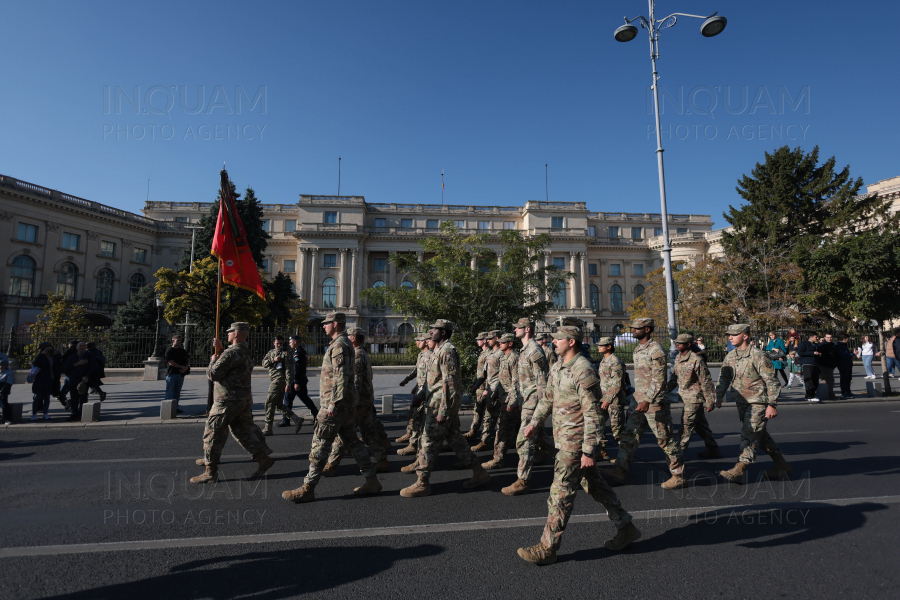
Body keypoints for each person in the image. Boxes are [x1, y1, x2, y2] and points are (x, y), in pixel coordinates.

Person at [516, 325, 640, 566]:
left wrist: (588, 450)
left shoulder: (584, 371)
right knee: (595, 486)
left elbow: (594, 414)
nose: (553, 342)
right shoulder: (558, 366)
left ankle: (547, 547)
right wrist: (534, 423)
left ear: (571, 342)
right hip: (564, 440)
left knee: (560, 494)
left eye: (558, 339)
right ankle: (626, 526)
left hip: (576, 443)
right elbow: (547, 399)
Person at [282, 313, 382, 503]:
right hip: (344, 403)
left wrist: (333, 404)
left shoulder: (339, 345)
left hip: (335, 405)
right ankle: (372, 480)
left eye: (326, 323)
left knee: (319, 444)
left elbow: (341, 376)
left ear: (336, 324)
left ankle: (308, 487)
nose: (323, 326)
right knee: (353, 441)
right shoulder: (343, 344)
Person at [400, 319, 490, 498]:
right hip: (434, 400)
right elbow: (433, 379)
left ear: (443, 332)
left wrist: (444, 410)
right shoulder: (438, 350)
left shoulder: (447, 350)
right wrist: (420, 395)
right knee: (455, 439)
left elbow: (450, 383)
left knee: (427, 441)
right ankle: (479, 472)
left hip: (440, 404)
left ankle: (422, 483)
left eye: (434, 329)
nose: (431, 331)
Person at [600, 318, 684, 489]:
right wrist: (640, 399)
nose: (633, 330)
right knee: (629, 437)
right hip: (638, 400)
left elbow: (659, 378)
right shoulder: (638, 349)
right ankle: (620, 470)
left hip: (654, 402)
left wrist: (648, 399)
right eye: (633, 328)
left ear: (647, 329)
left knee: (665, 439)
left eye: (636, 328)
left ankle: (678, 475)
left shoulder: (656, 350)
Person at [190, 322, 274, 483]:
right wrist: (221, 350)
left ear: (236, 334)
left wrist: (212, 361)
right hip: (242, 399)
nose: (227, 334)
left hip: (226, 400)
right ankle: (263, 458)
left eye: (229, 332)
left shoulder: (231, 354)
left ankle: (210, 471)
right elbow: (231, 367)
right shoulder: (245, 351)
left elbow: (214, 374)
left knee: (212, 433)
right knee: (241, 431)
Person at [716, 323, 792, 484]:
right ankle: (781, 465)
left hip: (758, 402)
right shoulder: (731, 356)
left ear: (745, 336)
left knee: (749, 433)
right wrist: (719, 396)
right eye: (729, 334)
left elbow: (772, 381)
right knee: (761, 435)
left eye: (734, 334)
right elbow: (724, 378)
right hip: (741, 401)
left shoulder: (758, 355)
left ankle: (739, 468)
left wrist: (772, 404)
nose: (730, 337)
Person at [325, 328, 390, 475]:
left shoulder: (357, 355)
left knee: (343, 433)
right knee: (368, 430)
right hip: (364, 400)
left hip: (358, 401)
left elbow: (356, 381)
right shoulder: (362, 352)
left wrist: (350, 401)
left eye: (348, 335)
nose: (347, 337)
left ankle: (331, 464)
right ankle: (382, 459)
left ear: (353, 338)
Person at [502, 318, 554, 496]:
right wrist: (517, 400)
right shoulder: (525, 350)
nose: (515, 330)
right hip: (527, 402)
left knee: (524, 441)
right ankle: (571, 463)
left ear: (528, 329)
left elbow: (542, 383)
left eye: (518, 328)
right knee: (540, 440)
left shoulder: (534, 351)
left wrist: (540, 411)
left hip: (534, 404)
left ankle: (523, 481)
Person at [669, 334, 720, 459]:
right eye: (677, 343)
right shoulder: (678, 358)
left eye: (680, 343)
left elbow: (706, 381)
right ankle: (713, 449)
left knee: (685, 426)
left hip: (694, 398)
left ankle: (677, 457)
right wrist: (664, 390)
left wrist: (710, 401)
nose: (677, 345)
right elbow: (674, 379)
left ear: (688, 345)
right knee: (700, 426)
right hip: (686, 397)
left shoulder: (696, 359)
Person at [483, 333, 522, 470]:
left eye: (502, 342)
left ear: (510, 343)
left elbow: (516, 383)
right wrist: (496, 393)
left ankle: (498, 459)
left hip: (510, 401)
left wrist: (513, 402)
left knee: (503, 431)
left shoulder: (514, 358)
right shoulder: (505, 357)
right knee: (514, 430)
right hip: (504, 398)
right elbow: (502, 379)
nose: (499, 344)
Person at [397, 334, 432, 456]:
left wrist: (421, 391)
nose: (417, 342)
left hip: (424, 393)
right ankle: (410, 435)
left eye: (419, 340)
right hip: (419, 390)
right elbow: (418, 371)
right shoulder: (421, 355)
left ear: (426, 342)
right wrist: (409, 381)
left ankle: (413, 444)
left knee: (418, 417)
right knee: (413, 414)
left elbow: (429, 377)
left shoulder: (430, 356)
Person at [261, 335, 304, 436]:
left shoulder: (286, 353)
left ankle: (268, 428)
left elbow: (289, 370)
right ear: (274, 343)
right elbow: (264, 363)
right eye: (277, 343)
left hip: (279, 381)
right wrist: (273, 360)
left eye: (281, 343)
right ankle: (296, 419)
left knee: (269, 403)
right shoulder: (271, 353)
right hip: (274, 380)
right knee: (278, 405)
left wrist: (289, 383)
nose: (279, 345)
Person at [469, 330, 503, 453]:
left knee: (501, 420)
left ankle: (496, 446)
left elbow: (503, 376)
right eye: (486, 338)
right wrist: (476, 385)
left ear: (497, 338)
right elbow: (484, 373)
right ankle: (486, 441)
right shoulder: (492, 354)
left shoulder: (501, 354)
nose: (487, 340)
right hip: (490, 390)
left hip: (497, 392)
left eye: (490, 338)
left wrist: (489, 389)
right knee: (489, 417)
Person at [595, 336, 628, 462]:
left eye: (602, 345)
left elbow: (617, 383)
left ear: (609, 346)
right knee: (599, 426)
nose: (599, 347)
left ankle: (622, 459)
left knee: (617, 431)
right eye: (599, 345)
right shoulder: (604, 361)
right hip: (603, 399)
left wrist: (608, 399)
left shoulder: (615, 361)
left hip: (614, 401)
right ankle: (603, 452)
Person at [282, 334, 319, 425]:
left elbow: (297, 368)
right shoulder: (301, 351)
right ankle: (317, 415)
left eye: (290, 342)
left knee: (288, 398)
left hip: (297, 380)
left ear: (295, 342)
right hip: (300, 379)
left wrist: (296, 382)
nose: (289, 344)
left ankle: (286, 420)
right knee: (305, 399)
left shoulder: (298, 352)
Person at [463, 332, 490, 440]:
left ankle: (485, 435)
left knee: (487, 413)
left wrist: (487, 388)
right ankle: (473, 431)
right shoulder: (482, 353)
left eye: (479, 339)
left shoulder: (489, 354)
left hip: (485, 388)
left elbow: (489, 373)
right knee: (477, 410)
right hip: (479, 386)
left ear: (485, 340)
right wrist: (474, 383)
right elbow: (480, 372)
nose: (477, 341)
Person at [62, 342, 98, 421]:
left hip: (84, 380)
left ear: (86, 347)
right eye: (80, 346)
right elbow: (65, 368)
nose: (82, 347)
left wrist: (87, 376)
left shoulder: (90, 356)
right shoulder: (72, 357)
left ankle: (81, 413)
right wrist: (77, 364)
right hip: (73, 379)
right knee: (73, 397)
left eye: (83, 346)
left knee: (83, 397)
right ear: (77, 347)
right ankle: (73, 413)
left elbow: (94, 367)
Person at [164, 335, 190, 414]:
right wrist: (182, 366)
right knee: (169, 392)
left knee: (177, 393)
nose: (179, 342)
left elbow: (188, 358)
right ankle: (167, 409)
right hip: (171, 374)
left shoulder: (182, 351)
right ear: (173, 341)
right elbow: (171, 363)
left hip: (180, 374)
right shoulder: (169, 351)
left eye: (180, 340)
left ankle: (175, 408)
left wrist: (186, 367)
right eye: (177, 340)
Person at [30, 342, 56, 421]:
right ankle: (34, 414)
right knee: (37, 397)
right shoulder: (41, 357)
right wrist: (41, 354)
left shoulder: (53, 357)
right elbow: (35, 364)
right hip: (40, 380)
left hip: (50, 379)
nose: (48, 352)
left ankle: (45, 413)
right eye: (46, 350)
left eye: (50, 350)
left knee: (47, 397)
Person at [796, 332, 821, 402]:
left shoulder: (816, 345)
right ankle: (809, 396)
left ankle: (812, 395)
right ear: (811, 337)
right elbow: (800, 352)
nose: (817, 338)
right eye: (816, 337)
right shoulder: (803, 344)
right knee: (809, 381)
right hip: (807, 364)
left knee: (815, 381)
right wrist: (812, 353)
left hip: (815, 364)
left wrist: (819, 354)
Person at [817, 333, 838, 400]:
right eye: (828, 337)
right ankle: (827, 395)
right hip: (824, 365)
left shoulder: (833, 345)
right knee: (826, 380)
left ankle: (827, 394)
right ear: (825, 338)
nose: (829, 338)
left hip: (830, 365)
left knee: (830, 380)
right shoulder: (822, 345)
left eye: (831, 337)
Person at [57, 339, 78, 404]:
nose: (68, 345)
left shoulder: (70, 351)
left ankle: (61, 395)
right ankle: (61, 395)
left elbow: (63, 359)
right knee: (67, 383)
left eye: (69, 344)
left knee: (67, 383)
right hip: (74, 370)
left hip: (70, 370)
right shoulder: (77, 351)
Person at [835, 333, 855, 399]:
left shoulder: (844, 345)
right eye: (848, 339)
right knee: (844, 378)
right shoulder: (838, 345)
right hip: (843, 364)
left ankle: (848, 391)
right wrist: (853, 354)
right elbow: (843, 355)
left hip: (848, 363)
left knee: (848, 378)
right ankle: (844, 392)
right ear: (844, 339)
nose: (848, 340)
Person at [0, 358, 15, 424]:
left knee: (4, 405)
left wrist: (2, 391)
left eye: (2, 365)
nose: (1, 367)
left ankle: (7, 419)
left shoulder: (9, 373)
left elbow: (9, 383)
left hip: (3, 389)